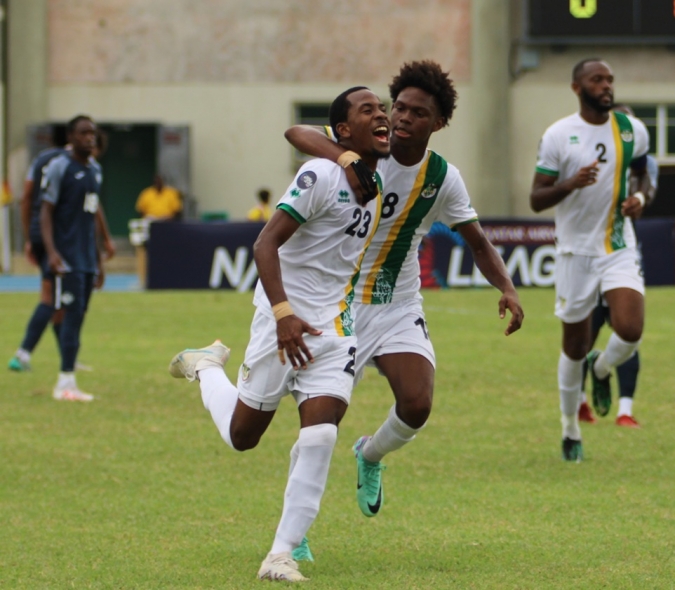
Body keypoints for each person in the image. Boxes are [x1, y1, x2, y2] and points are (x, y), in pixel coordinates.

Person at [168, 86, 389, 583]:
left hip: (336, 327)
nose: (383, 115)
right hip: (281, 321)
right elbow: (264, 244)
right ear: (343, 131)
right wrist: (284, 313)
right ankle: (206, 367)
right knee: (243, 437)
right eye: (369, 110)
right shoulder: (322, 174)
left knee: (322, 433)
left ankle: (280, 554)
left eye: (384, 109)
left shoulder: (379, 178)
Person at [285, 60, 524, 519]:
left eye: (418, 112)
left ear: (438, 123)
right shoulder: (365, 148)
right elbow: (297, 132)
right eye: (399, 107)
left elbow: (477, 242)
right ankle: (294, 535)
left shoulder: (442, 178)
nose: (401, 118)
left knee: (417, 404)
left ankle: (370, 454)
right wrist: (344, 158)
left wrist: (507, 287)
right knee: (321, 423)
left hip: (397, 304)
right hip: (342, 304)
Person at [529, 59, 651, 462]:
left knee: (630, 330)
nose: (606, 86)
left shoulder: (631, 130)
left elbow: (643, 174)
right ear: (577, 88)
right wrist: (570, 183)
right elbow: (536, 199)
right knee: (574, 347)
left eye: (610, 79)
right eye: (597, 79)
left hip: (617, 245)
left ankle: (601, 369)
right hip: (574, 253)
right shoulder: (558, 135)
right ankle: (570, 429)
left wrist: (640, 197)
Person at [578, 103, 659, 428]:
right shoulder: (588, 154)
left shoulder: (644, 161)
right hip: (586, 255)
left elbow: (647, 188)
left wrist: (639, 199)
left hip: (623, 253)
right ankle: (579, 405)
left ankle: (625, 410)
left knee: (629, 332)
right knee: (584, 332)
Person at [8, 130, 114, 373]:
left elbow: (27, 197)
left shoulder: (42, 159)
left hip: (42, 234)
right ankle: (23, 354)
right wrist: (104, 241)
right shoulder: (74, 166)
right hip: (61, 239)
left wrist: (30, 237)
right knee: (53, 298)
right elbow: (89, 208)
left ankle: (66, 357)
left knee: (59, 302)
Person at [39, 115, 106, 401]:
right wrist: (52, 252)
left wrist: (98, 259)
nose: (89, 138)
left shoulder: (95, 170)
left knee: (78, 316)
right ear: (71, 137)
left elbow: (91, 216)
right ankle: (65, 382)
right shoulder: (59, 167)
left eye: (92, 133)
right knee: (69, 315)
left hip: (86, 257)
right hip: (66, 256)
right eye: (83, 133)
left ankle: (68, 377)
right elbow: (45, 211)